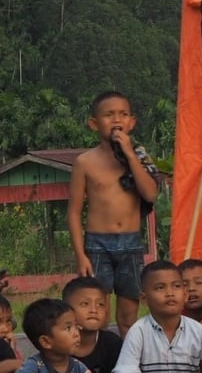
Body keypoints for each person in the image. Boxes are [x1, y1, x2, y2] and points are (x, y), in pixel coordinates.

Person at [67, 91, 160, 337]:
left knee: (128, 317)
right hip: (98, 245)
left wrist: (129, 154)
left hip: (130, 244)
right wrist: (80, 255)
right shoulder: (85, 162)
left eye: (123, 114)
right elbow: (74, 213)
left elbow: (150, 194)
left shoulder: (139, 157)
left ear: (132, 122)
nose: (117, 120)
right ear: (94, 124)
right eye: (109, 115)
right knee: (97, 314)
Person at [113, 261, 202, 373]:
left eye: (176, 286)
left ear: (185, 294)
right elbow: (126, 369)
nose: (170, 293)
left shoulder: (198, 331)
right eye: (160, 288)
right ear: (144, 298)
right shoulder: (139, 331)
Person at [61, 277, 122, 373]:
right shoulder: (57, 344)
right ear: (66, 309)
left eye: (100, 304)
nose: (94, 310)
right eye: (85, 304)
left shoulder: (113, 344)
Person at [17, 299, 86, 373]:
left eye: (76, 325)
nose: (77, 333)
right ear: (45, 342)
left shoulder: (79, 367)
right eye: (68, 328)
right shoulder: (32, 368)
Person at [0, 293, 22, 359]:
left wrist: (12, 352)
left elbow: (18, 367)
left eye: (8, 321)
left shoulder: (12, 349)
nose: (6, 329)